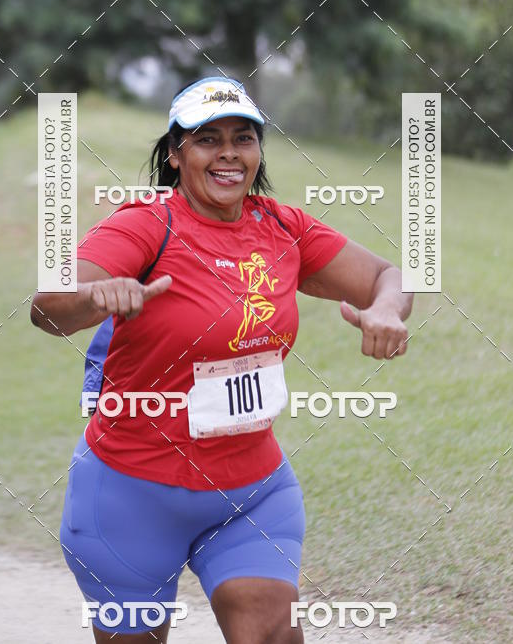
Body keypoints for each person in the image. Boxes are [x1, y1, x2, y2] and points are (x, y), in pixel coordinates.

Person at [30, 75, 413, 644]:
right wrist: (96, 297)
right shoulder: (145, 224)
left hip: (251, 492)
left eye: (244, 137)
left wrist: (386, 310)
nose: (229, 152)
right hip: (130, 494)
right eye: (208, 138)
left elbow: (390, 274)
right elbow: (49, 308)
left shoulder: (284, 228)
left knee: (272, 633)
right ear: (176, 153)